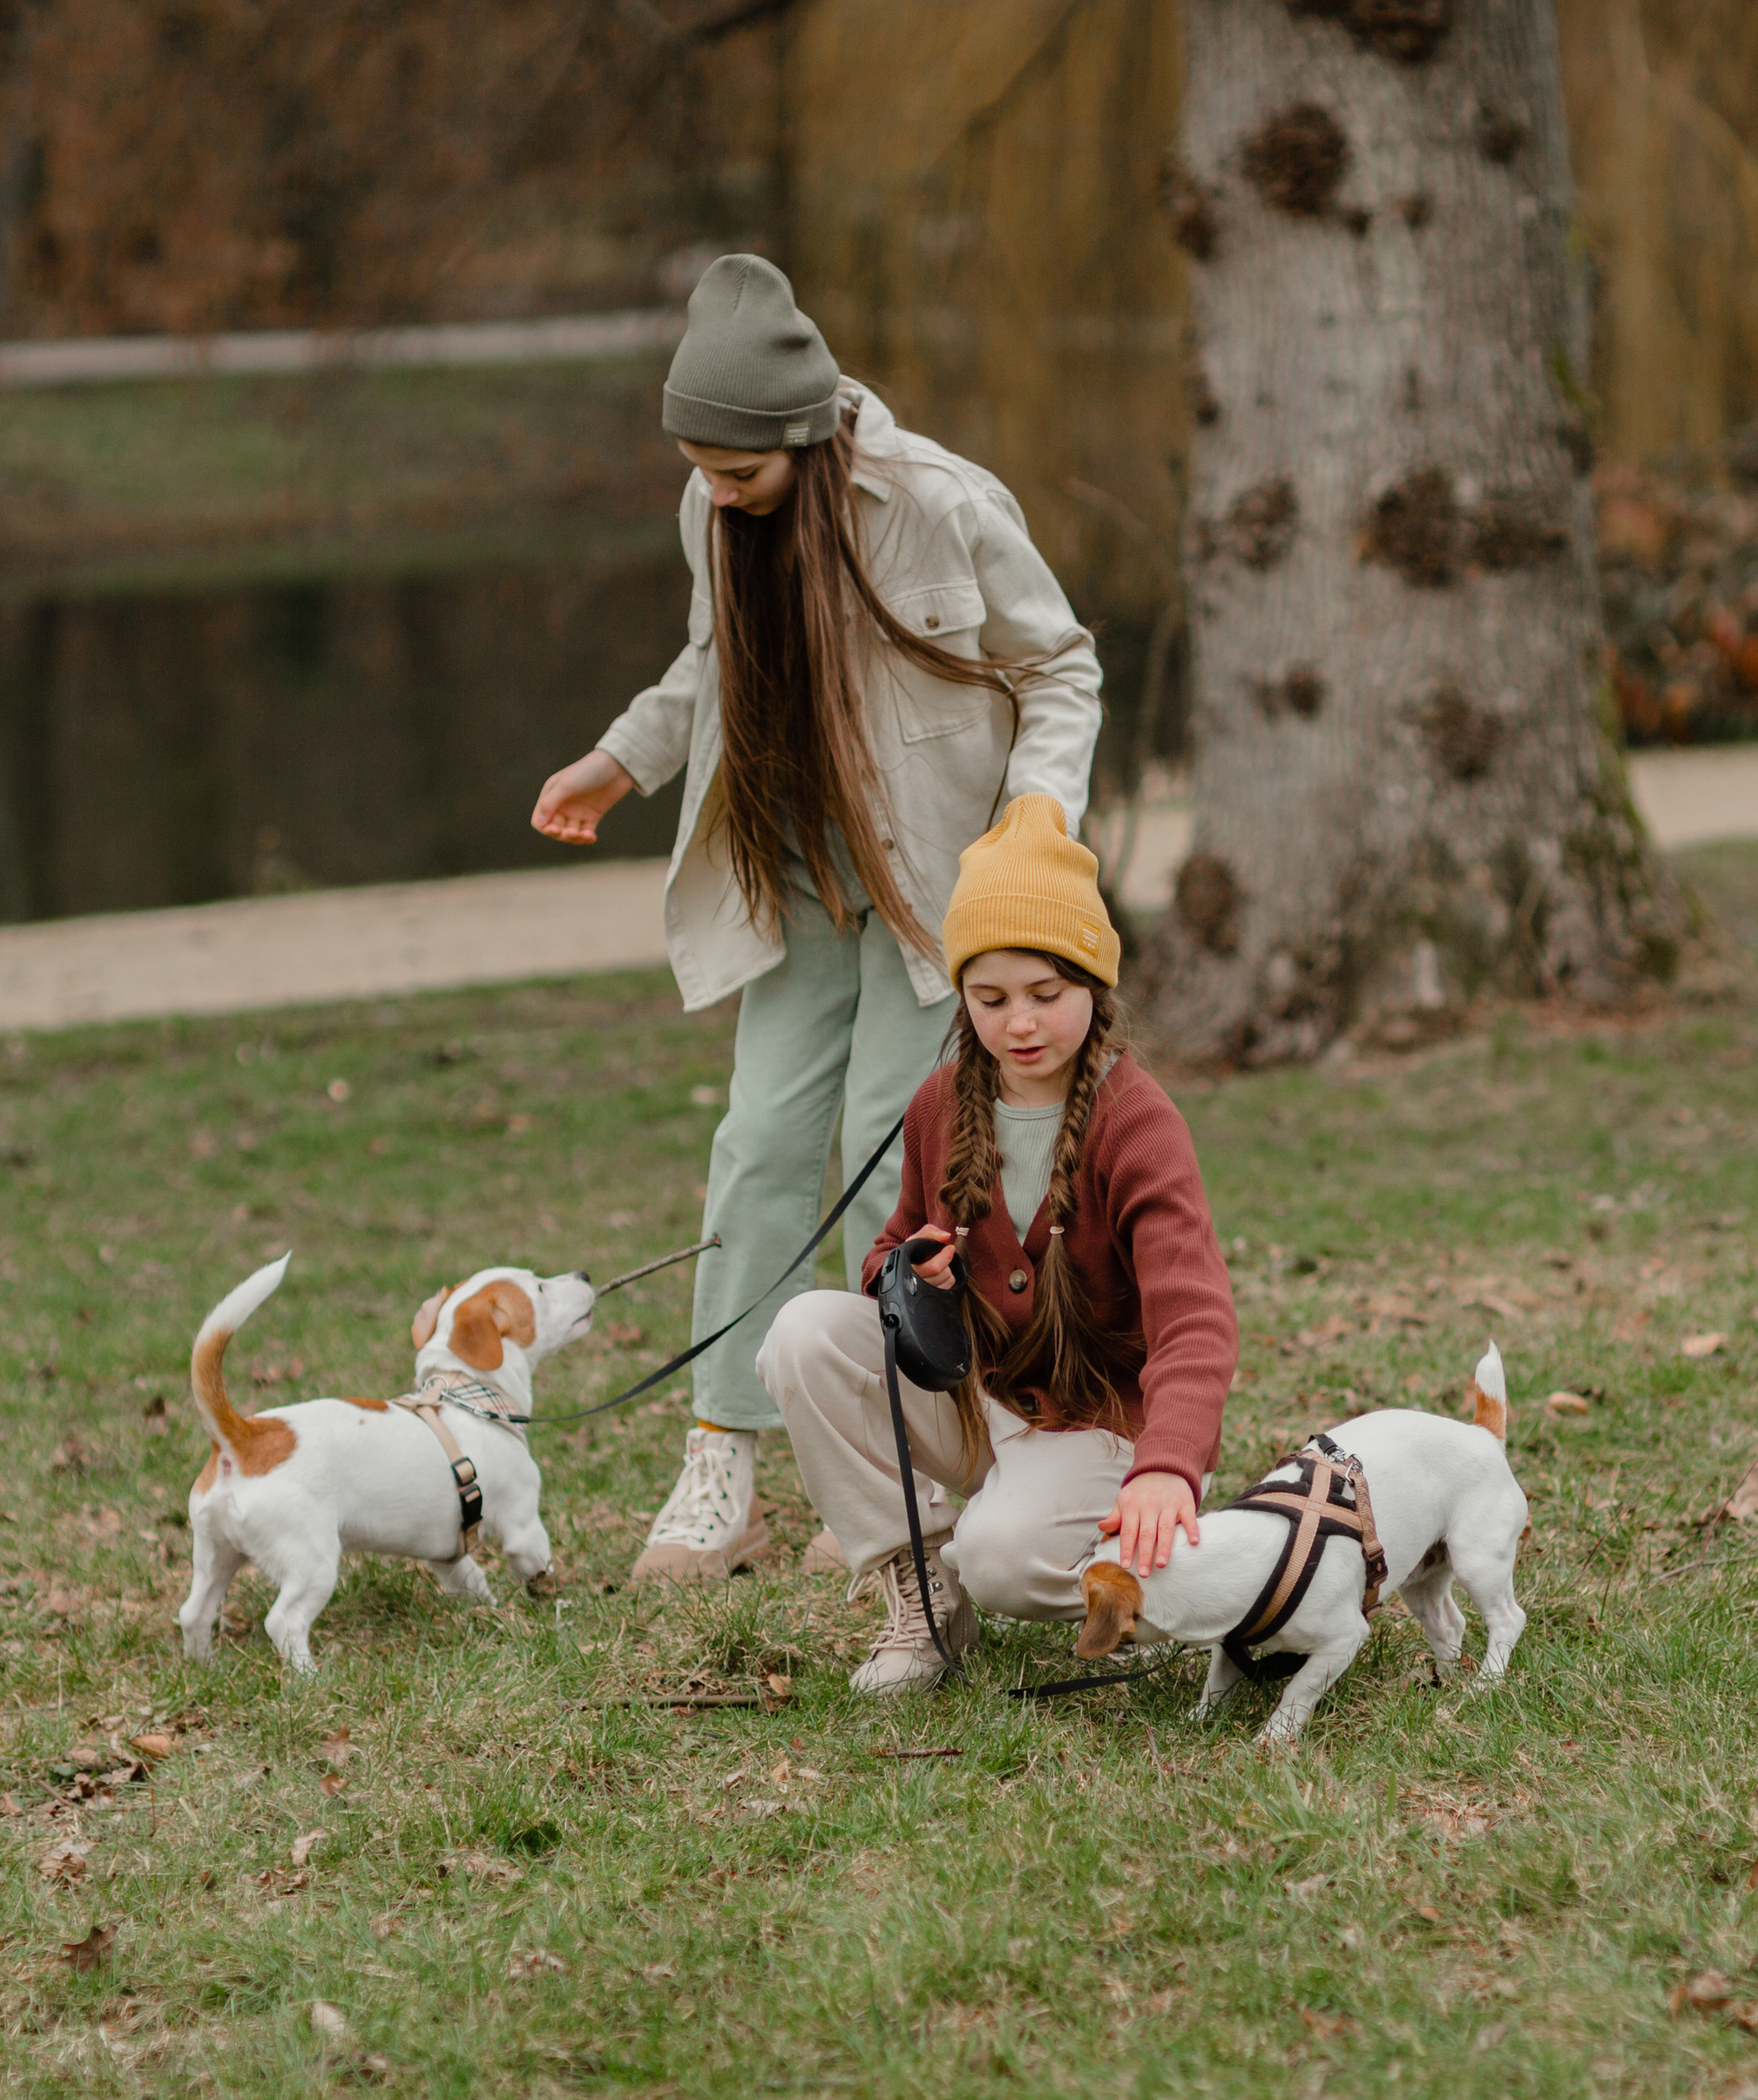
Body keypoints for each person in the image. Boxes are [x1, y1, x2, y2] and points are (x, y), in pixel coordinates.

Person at [530, 256, 1100, 1583]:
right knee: (761, 1142)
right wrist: (621, 759)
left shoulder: (941, 503)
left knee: (890, 1149)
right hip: (790, 864)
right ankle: (721, 1462)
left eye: (736, 471)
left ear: (801, 437)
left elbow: (1058, 665)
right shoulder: (716, 502)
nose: (715, 491)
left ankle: (897, 1464)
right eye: (699, 469)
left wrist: (1034, 823)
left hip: (932, 879)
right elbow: (710, 660)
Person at [756, 795, 1239, 1691]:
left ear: (1092, 987)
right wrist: (908, 1271)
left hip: (1098, 1422)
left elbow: (1196, 1322)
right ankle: (922, 1586)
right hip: (978, 1402)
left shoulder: (1138, 1123)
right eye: (991, 998)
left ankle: (1173, 1574)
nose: (1020, 1022)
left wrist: (1169, 1465)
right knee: (802, 1334)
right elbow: (890, 1251)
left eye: (1046, 996)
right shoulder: (940, 1105)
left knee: (1002, 1560)